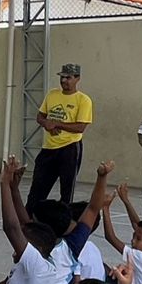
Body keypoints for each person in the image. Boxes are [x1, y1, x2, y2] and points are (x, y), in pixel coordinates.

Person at [25, 63, 93, 208]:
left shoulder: (83, 100)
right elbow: (40, 116)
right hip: (48, 148)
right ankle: (30, 218)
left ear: (77, 79)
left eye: (68, 78)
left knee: (66, 191)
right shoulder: (52, 94)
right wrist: (46, 124)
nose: (64, 81)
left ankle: (64, 222)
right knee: (37, 188)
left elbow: (80, 127)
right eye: (62, 77)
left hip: (69, 148)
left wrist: (56, 124)